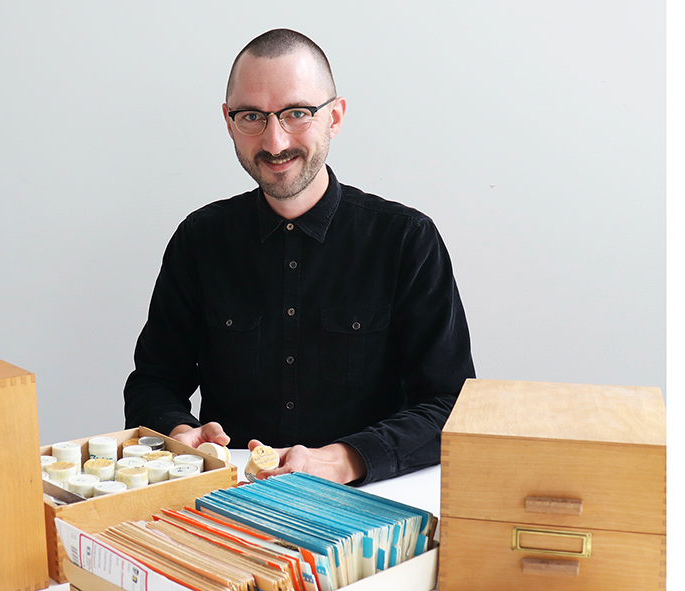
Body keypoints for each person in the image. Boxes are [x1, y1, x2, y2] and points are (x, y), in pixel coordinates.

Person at [123, 28, 474, 485]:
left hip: (371, 505)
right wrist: (179, 432)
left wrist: (345, 458)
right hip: (227, 501)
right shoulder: (199, 239)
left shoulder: (407, 239)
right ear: (228, 120)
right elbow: (152, 380)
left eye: (297, 113)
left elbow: (451, 405)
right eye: (252, 116)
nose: (274, 141)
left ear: (335, 116)